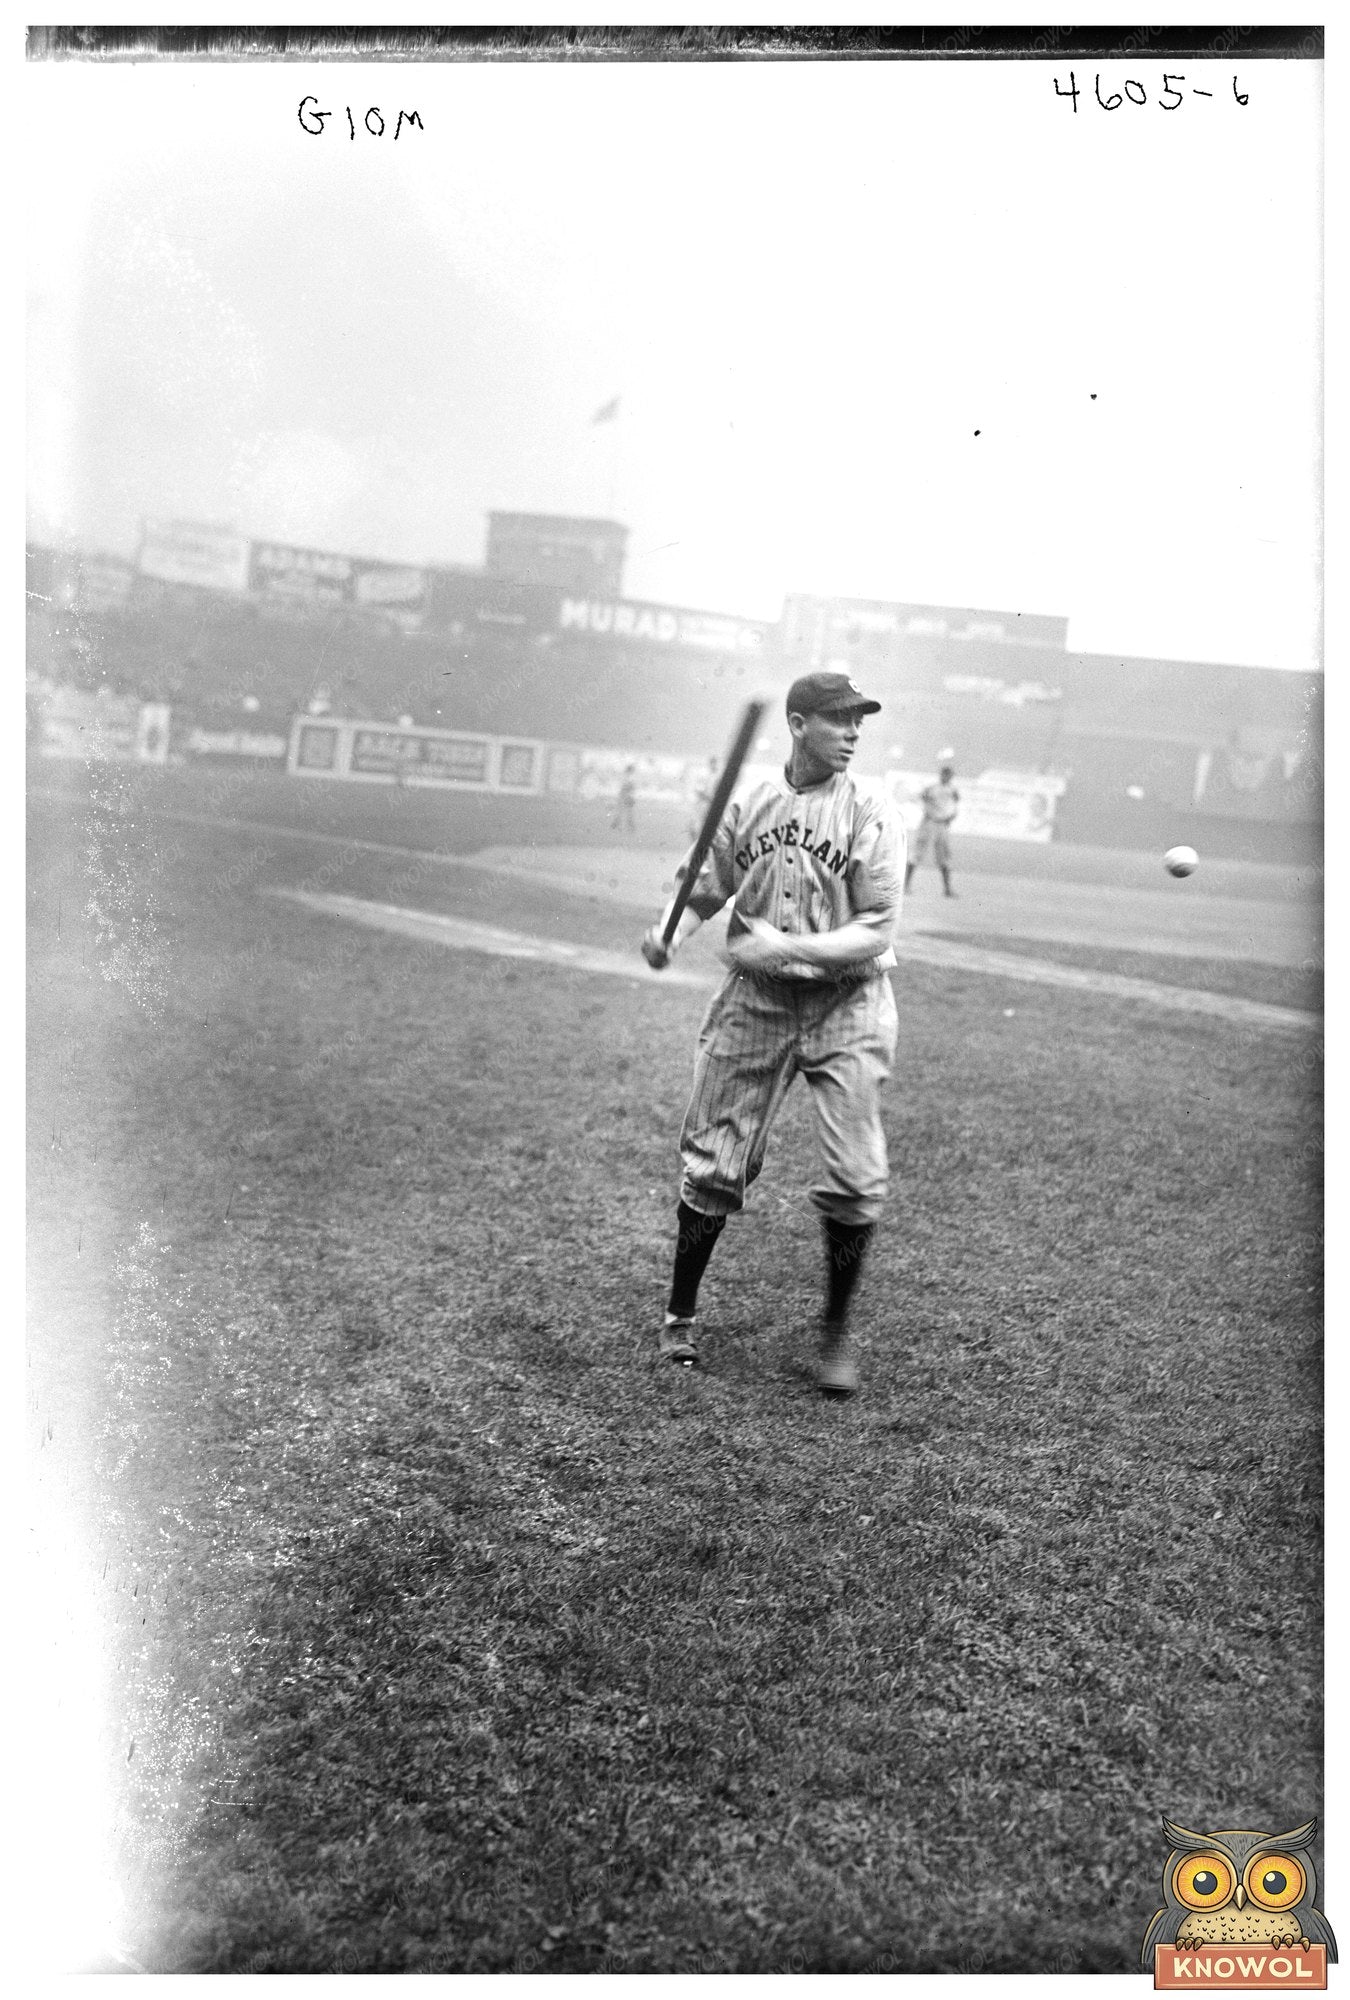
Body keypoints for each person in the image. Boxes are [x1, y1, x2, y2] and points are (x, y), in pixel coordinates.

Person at [641, 671, 904, 1397]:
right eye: (838, 720)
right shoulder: (749, 801)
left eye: (859, 722)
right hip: (756, 1000)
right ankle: (680, 1316)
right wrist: (672, 931)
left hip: (849, 1002)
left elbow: (876, 927)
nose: (852, 733)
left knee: (855, 1173)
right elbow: (703, 888)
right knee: (713, 1162)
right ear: (796, 725)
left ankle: (835, 1337)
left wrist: (783, 949)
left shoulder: (872, 806)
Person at [906, 760, 960, 896]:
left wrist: (951, 816)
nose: (946, 777)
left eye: (949, 775)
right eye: (945, 774)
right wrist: (927, 809)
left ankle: (947, 889)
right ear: (941, 775)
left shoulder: (953, 790)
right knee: (917, 853)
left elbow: (954, 806)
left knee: (944, 856)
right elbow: (919, 797)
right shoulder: (932, 788)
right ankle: (906, 885)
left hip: (942, 825)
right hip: (929, 822)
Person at [611, 763, 638, 835]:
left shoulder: (626, 777)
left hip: (625, 796)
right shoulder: (628, 777)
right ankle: (627, 825)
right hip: (626, 796)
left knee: (623, 811)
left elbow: (626, 787)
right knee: (627, 812)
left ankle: (618, 824)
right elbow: (628, 787)